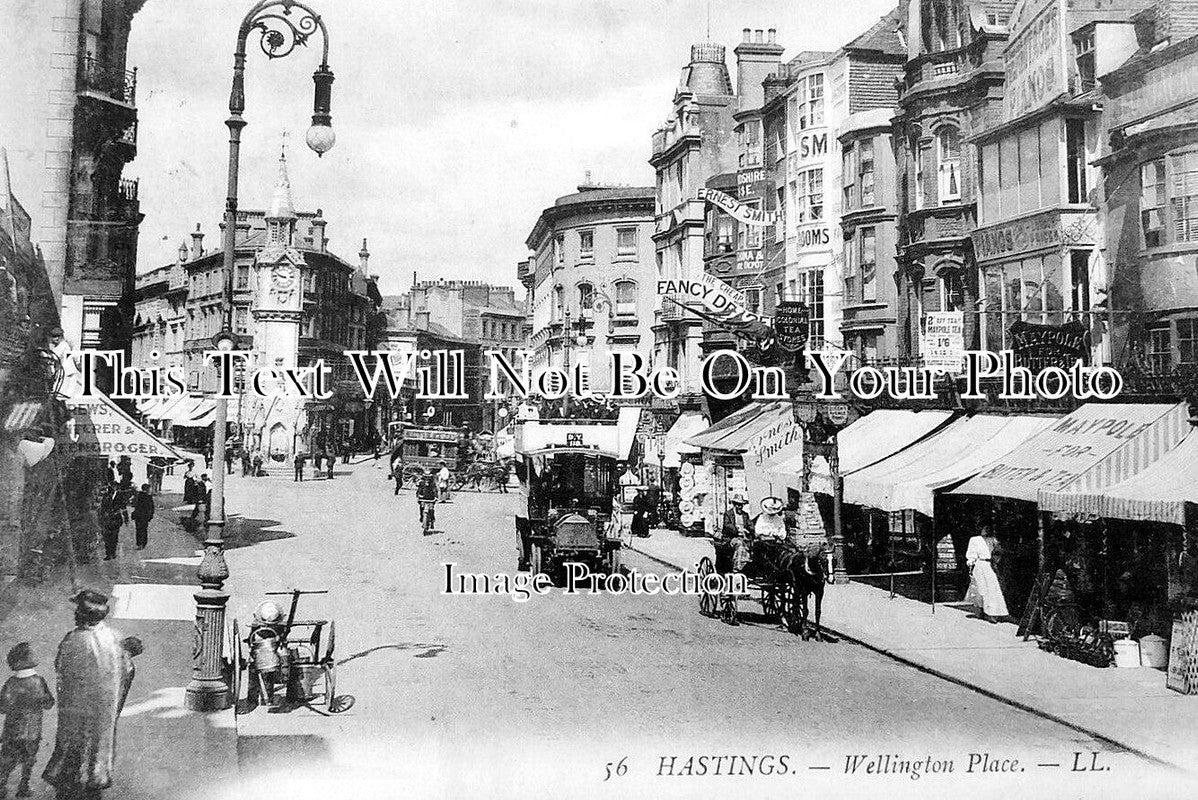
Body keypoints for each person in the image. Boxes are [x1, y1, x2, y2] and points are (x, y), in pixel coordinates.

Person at [42, 590, 136, 800]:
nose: (75, 613)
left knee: (72, 741)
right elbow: (127, 669)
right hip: (102, 707)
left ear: (84, 614)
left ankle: (70, 781)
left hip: (76, 706)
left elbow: (60, 667)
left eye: (78, 610)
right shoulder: (111, 638)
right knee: (97, 743)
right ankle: (93, 780)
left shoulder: (74, 639)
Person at [0, 643, 55, 799]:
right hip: (32, 731)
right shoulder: (39, 681)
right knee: (29, 761)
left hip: (12, 731)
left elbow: (2, 707)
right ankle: (23, 788)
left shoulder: (10, 683)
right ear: (27, 659)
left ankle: (1, 787)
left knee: (6, 761)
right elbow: (49, 703)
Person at [965, 526, 1010, 623]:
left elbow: (998, 553)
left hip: (990, 565)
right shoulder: (975, 540)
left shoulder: (993, 540)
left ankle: (994, 612)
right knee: (981, 589)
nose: (986, 530)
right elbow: (971, 554)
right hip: (980, 565)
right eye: (984, 528)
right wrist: (971, 562)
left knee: (993, 590)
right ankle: (983, 611)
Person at [98, 488, 125, 562]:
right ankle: (108, 554)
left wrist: (125, 518)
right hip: (107, 520)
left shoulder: (119, 496)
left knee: (114, 537)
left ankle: (112, 553)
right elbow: (102, 509)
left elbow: (123, 507)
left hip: (115, 520)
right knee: (107, 538)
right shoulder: (105, 497)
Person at [129, 484, 154, 551]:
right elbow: (151, 508)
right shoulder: (148, 497)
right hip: (144, 516)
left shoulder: (138, 496)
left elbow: (133, 504)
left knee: (138, 530)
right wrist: (150, 516)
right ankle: (143, 543)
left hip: (138, 516)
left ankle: (139, 544)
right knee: (144, 530)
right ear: (147, 489)